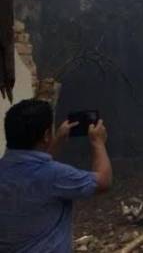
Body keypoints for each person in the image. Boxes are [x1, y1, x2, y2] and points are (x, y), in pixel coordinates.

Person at [0, 99, 112, 252]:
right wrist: (98, 142)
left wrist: (57, 139)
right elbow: (103, 181)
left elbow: (35, 166)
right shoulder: (55, 175)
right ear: (46, 135)